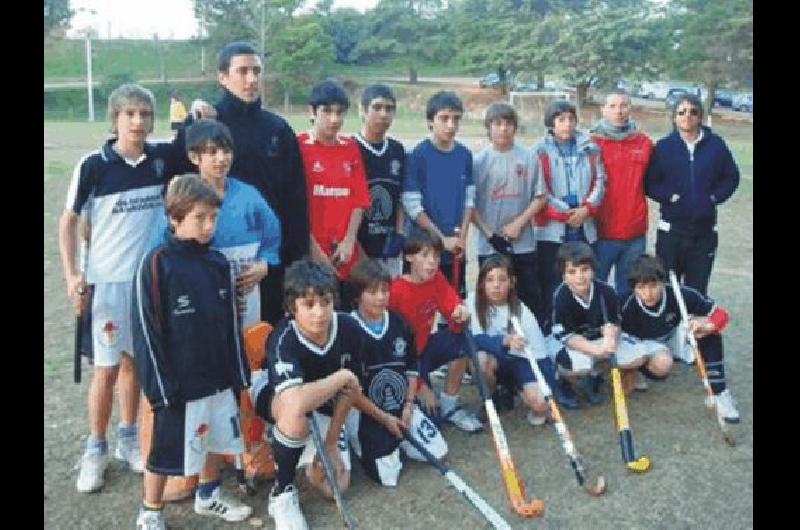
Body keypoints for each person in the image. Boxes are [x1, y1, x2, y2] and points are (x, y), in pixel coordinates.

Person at [58, 84, 178, 494]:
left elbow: (193, 141)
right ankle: (96, 447)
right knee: (106, 369)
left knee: (133, 364)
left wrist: (199, 112)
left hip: (145, 282)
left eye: (145, 114)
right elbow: (69, 222)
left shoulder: (160, 158)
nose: (139, 121)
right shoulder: (94, 164)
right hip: (105, 283)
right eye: (130, 114)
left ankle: (128, 437)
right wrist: (72, 275)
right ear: (116, 119)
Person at [131, 176, 253, 529]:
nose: (209, 225)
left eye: (213, 217)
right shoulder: (156, 264)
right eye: (200, 217)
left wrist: (239, 373)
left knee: (215, 436)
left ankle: (208, 494)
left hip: (216, 377)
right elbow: (147, 332)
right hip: (178, 385)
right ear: (175, 217)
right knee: (165, 450)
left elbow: (231, 323)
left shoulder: (218, 264)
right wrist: (160, 388)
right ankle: (150, 511)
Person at [183, 41, 309, 325]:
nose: (251, 79)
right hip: (213, 259)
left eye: (257, 71)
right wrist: (191, 119)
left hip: (267, 261)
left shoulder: (277, 128)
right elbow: (177, 179)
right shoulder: (206, 125)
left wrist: (291, 262)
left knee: (264, 343)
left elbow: (296, 201)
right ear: (223, 77)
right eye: (242, 71)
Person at [249, 259, 366, 530]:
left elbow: (349, 391)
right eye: (309, 305)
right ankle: (282, 491)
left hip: (323, 402)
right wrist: (341, 377)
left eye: (325, 302)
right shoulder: (282, 337)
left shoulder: (348, 328)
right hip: (274, 394)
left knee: (334, 487)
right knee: (295, 414)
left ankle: (305, 446)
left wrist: (331, 443)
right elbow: (296, 401)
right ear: (292, 308)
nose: (319, 313)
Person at [148, 119, 281, 327]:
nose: (221, 159)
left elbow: (272, 235)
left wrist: (264, 263)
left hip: (247, 301)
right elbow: (158, 246)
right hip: (200, 299)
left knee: (246, 350)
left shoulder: (249, 196)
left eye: (226, 151)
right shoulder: (183, 197)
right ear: (194, 157)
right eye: (212, 152)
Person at [345, 259, 447, 486]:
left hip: (400, 406)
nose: (381, 297)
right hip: (367, 412)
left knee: (438, 450)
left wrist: (409, 406)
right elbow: (349, 391)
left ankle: (397, 438)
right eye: (372, 292)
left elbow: (411, 367)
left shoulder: (399, 323)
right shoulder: (346, 329)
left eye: (384, 290)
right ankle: (365, 442)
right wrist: (384, 418)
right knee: (388, 476)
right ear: (357, 294)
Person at [619, 254, 739, 422]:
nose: (648, 293)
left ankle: (720, 393)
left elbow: (721, 315)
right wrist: (628, 370)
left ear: (662, 282)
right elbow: (618, 339)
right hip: (642, 344)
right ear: (633, 287)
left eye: (653, 286)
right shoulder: (624, 303)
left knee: (710, 334)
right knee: (660, 365)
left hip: (671, 336)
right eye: (641, 287)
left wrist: (705, 326)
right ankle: (639, 370)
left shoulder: (679, 293)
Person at [388, 229, 483, 433]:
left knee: (463, 340)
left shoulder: (436, 278)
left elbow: (452, 305)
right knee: (432, 421)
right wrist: (419, 385)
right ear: (409, 257)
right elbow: (391, 351)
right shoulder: (395, 292)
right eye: (425, 255)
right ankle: (426, 395)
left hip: (425, 348)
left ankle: (450, 404)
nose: (432, 262)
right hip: (405, 361)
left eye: (436, 256)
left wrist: (459, 312)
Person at [645, 93, 740, 296]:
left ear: (701, 116)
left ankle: (692, 327)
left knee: (696, 292)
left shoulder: (716, 145)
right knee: (668, 290)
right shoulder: (663, 147)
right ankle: (670, 328)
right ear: (674, 117)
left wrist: (714, 198)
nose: (687, 116)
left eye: (693, 112)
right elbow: (650, 183)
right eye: (682, 112)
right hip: (671, 233)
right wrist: (669, 196)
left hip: (704, 233)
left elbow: (731, 177)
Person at [531, 100, 606, 333]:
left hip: (583, 225)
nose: (567, 124)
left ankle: (583, 327)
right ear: (551, 123)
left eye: (571, 119)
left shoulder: (590, 148)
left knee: (582, 278)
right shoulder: (539, 150)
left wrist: (586, 209)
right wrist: (564, 213)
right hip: (552, 229)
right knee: (553, 281)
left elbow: (600, 181)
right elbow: (540, 187)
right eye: (561, 119)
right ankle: (551, 329)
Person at [473, 102, 547, 324]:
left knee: (528, 295)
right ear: (489, 128)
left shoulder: (528, 157)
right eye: (497, 123)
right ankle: (495, 338)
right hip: (490, 245)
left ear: (515, 127)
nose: (503, 129)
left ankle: (534, 340)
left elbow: (541, 196)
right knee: (494, 295)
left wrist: (519, 224)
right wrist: (490, 235)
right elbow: (470, 206)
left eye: (508, 123)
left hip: (523, 243)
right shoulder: (479, 162)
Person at [466, 255, 560, 426]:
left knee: (540, 403)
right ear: (481, 283)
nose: (496, 285)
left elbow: (541, 357)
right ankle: (492, 398)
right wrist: (503, 340)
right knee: (479, 360)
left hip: (521, 361)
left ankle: (517, 389)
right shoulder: (473, 301)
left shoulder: (522, 312)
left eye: (502, 279)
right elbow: (473, 339)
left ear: (512, 282)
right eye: (490, 280)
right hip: (494, 358)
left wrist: (548, 394)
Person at [298, 79, 371, 297]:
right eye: (327, 111)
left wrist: (349, 242)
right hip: (310, 251)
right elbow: (293, 206)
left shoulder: (350, 147)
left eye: (340, 113)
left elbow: (359, 199)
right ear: (312, 111)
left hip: (343, 252)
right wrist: (314, 251)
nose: (334, 119)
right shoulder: (298, 146)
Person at [402, 90, 474, 298]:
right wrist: (442, 239)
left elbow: (469, 200)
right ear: (430, 121)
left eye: (456, 119)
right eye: (444, 118)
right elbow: (413, 206)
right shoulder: (418, 155)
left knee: (454, 308)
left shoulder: (464, 155)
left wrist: (461, 238)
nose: (451, 125)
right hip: (425, 249)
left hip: (455, 249)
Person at [589, 89, 653, 297]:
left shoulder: (643, 142)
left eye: (624, 105)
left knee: (628, 291)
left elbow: (658, 178)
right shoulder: (590, 143)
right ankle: (595, 330)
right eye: (613, 106)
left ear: (630, 109)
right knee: (595, 289)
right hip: (601, 232)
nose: (619, 111)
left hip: (634, 233)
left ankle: (625, 329)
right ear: (603, 110)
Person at [549, 241, 620, 407]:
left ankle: (593, 377)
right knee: (581, 364)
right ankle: (562, 380)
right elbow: (565, 336)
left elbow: (614, 322)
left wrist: (610, 336)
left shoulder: (606, 292)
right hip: (563, 341)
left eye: (585, 270)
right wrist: (598, 350)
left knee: (621, 354)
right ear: (563, 275)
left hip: (594, 338)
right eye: (572, 272)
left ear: (593, 269)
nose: (579, 277)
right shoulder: (560, 296)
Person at [353, 84, 407, 277]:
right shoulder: (350, 148)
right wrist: (357, 248)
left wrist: (400, 234)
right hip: (358, 249)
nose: (383, 114)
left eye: (389, 109)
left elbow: (400, 196)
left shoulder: (397, 150)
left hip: (389, 248)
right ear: (362, 110)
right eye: (377, 107)